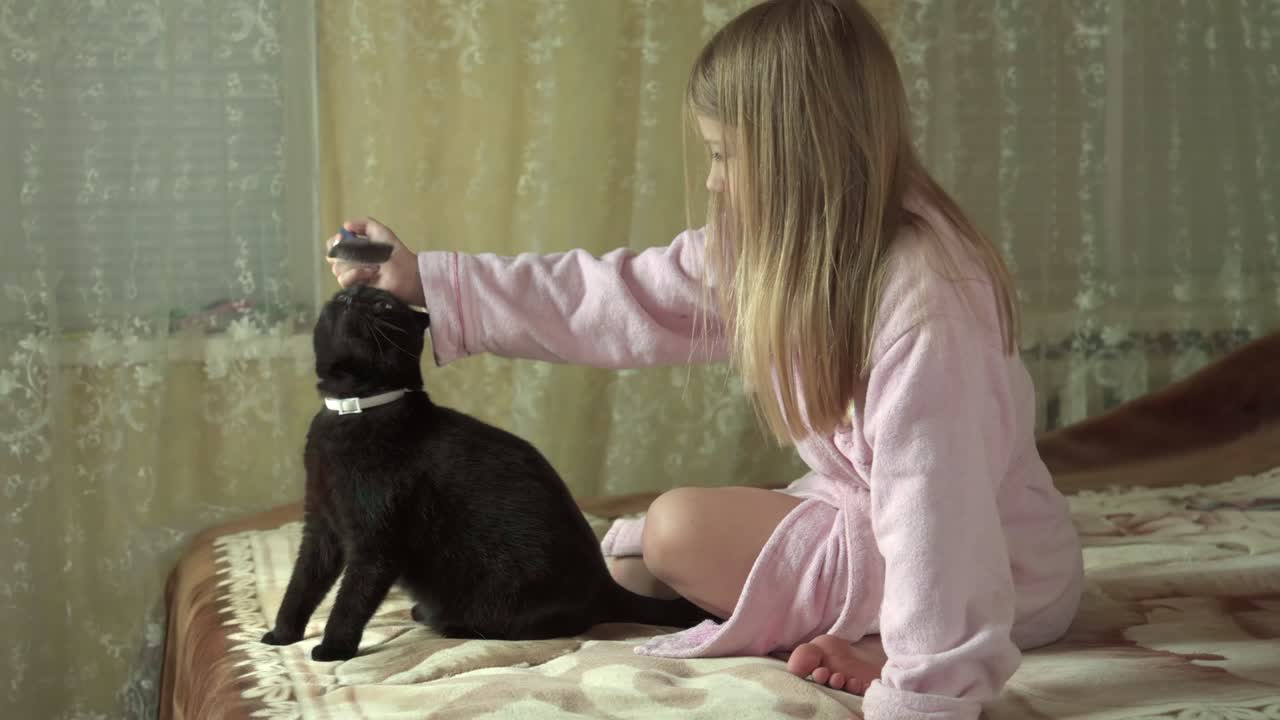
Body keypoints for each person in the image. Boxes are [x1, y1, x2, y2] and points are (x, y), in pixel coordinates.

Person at [327, 1, 1083, 717]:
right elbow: (621, 295)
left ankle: (888, 637)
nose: (715, 179)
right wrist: (429, 278)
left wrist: (923, 686)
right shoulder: (786, 249)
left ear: (800, 152)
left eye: (725, 154)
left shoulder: (925, 304)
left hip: (995, 572)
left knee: (676, 529)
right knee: (630, 568)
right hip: (888, 522)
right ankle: (814, 605)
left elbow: (936, 514)